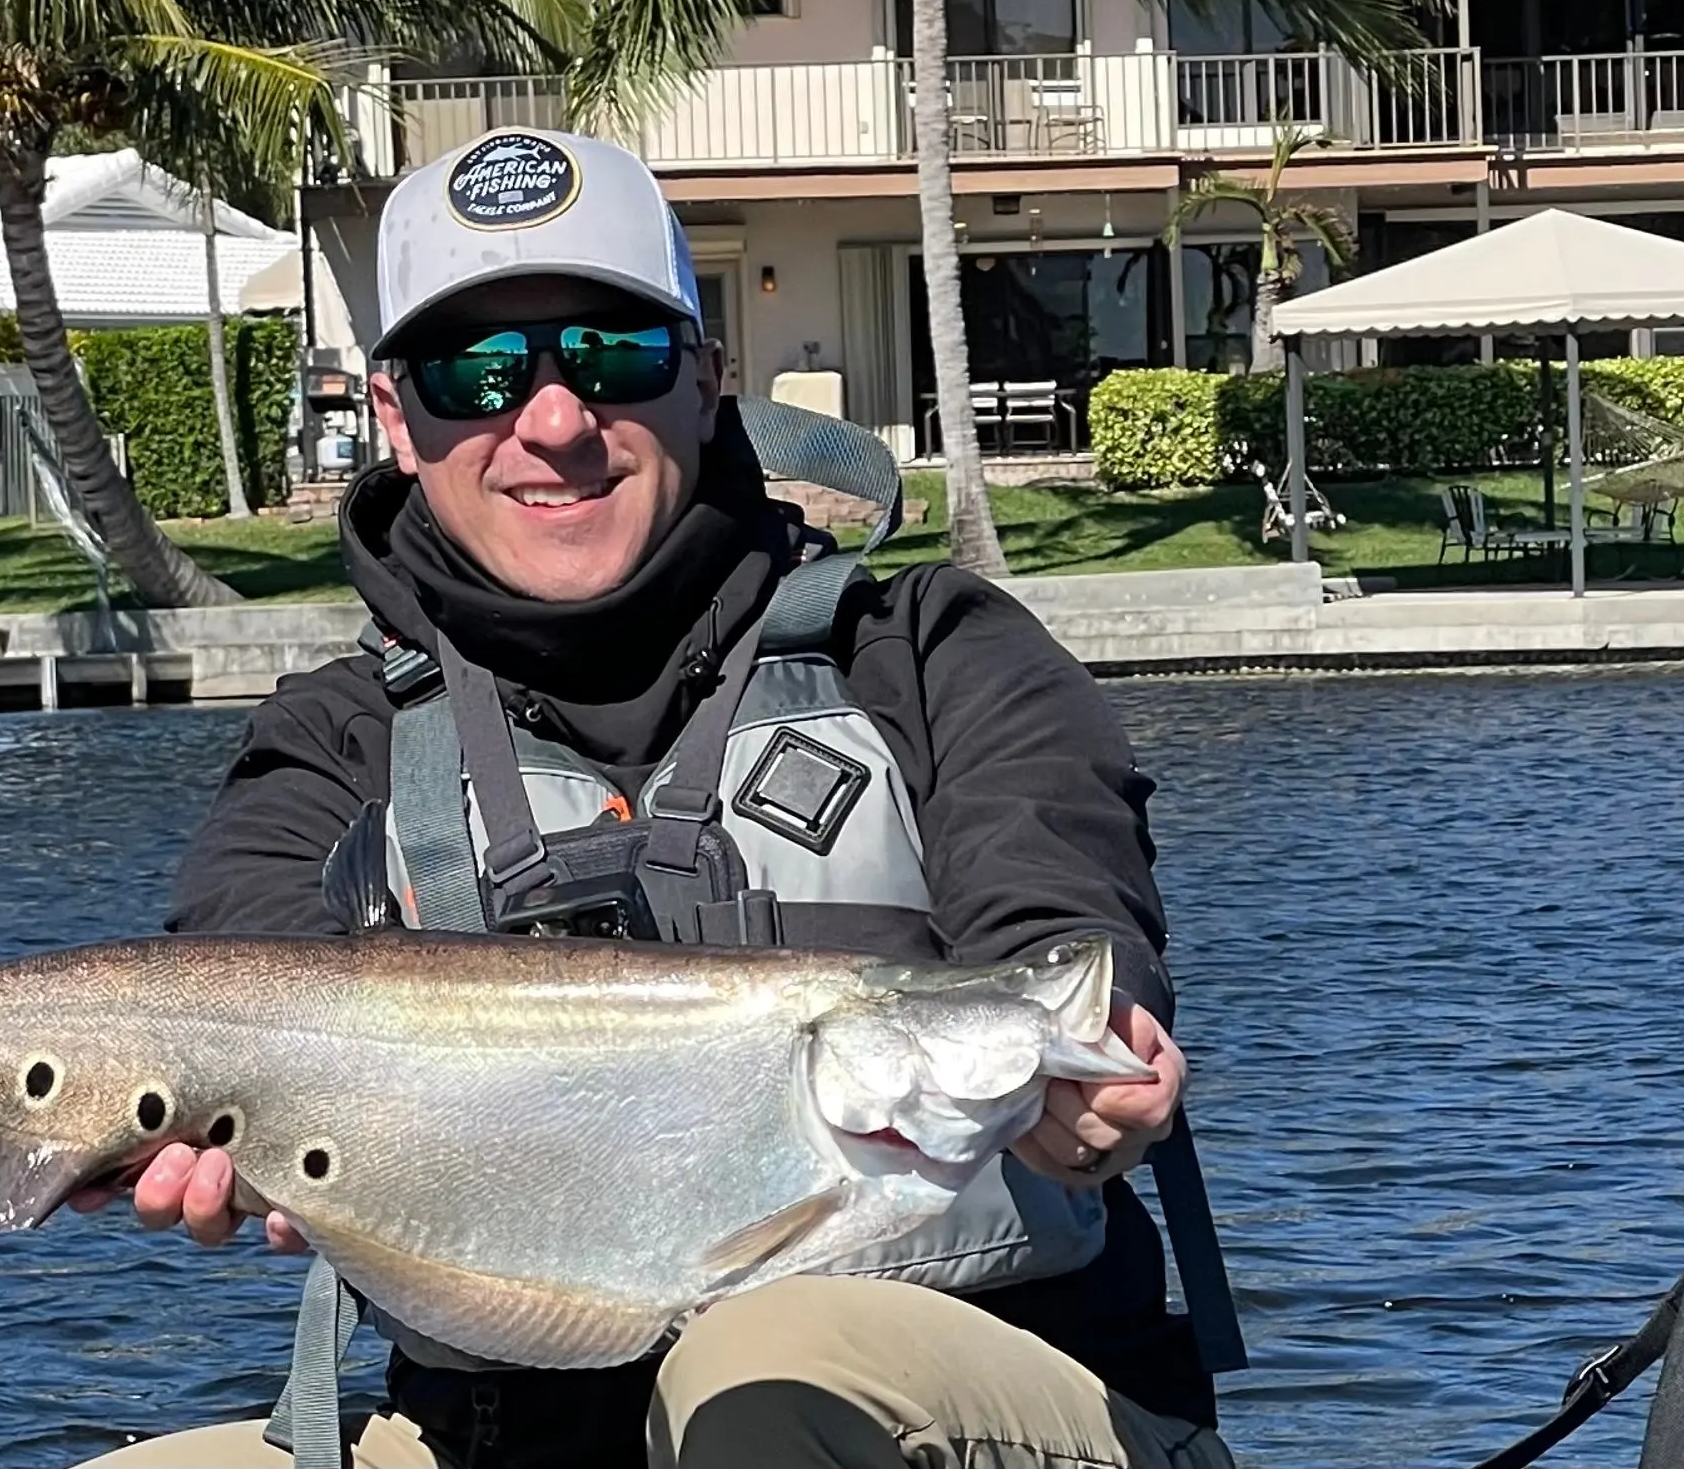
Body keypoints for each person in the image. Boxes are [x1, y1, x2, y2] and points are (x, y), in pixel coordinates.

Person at [74, 127, 1238, 1469]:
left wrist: (1097, 1083)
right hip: (501, 1434)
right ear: (396, 419)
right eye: (481, 373)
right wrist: (194, 1128)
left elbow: (1064, 909)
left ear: (706, 377)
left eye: (614, 356)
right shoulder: (333, 740)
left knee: (760, 1375)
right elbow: (231, 978)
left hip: (981, 1391)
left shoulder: (931, 650)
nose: (556, 423)